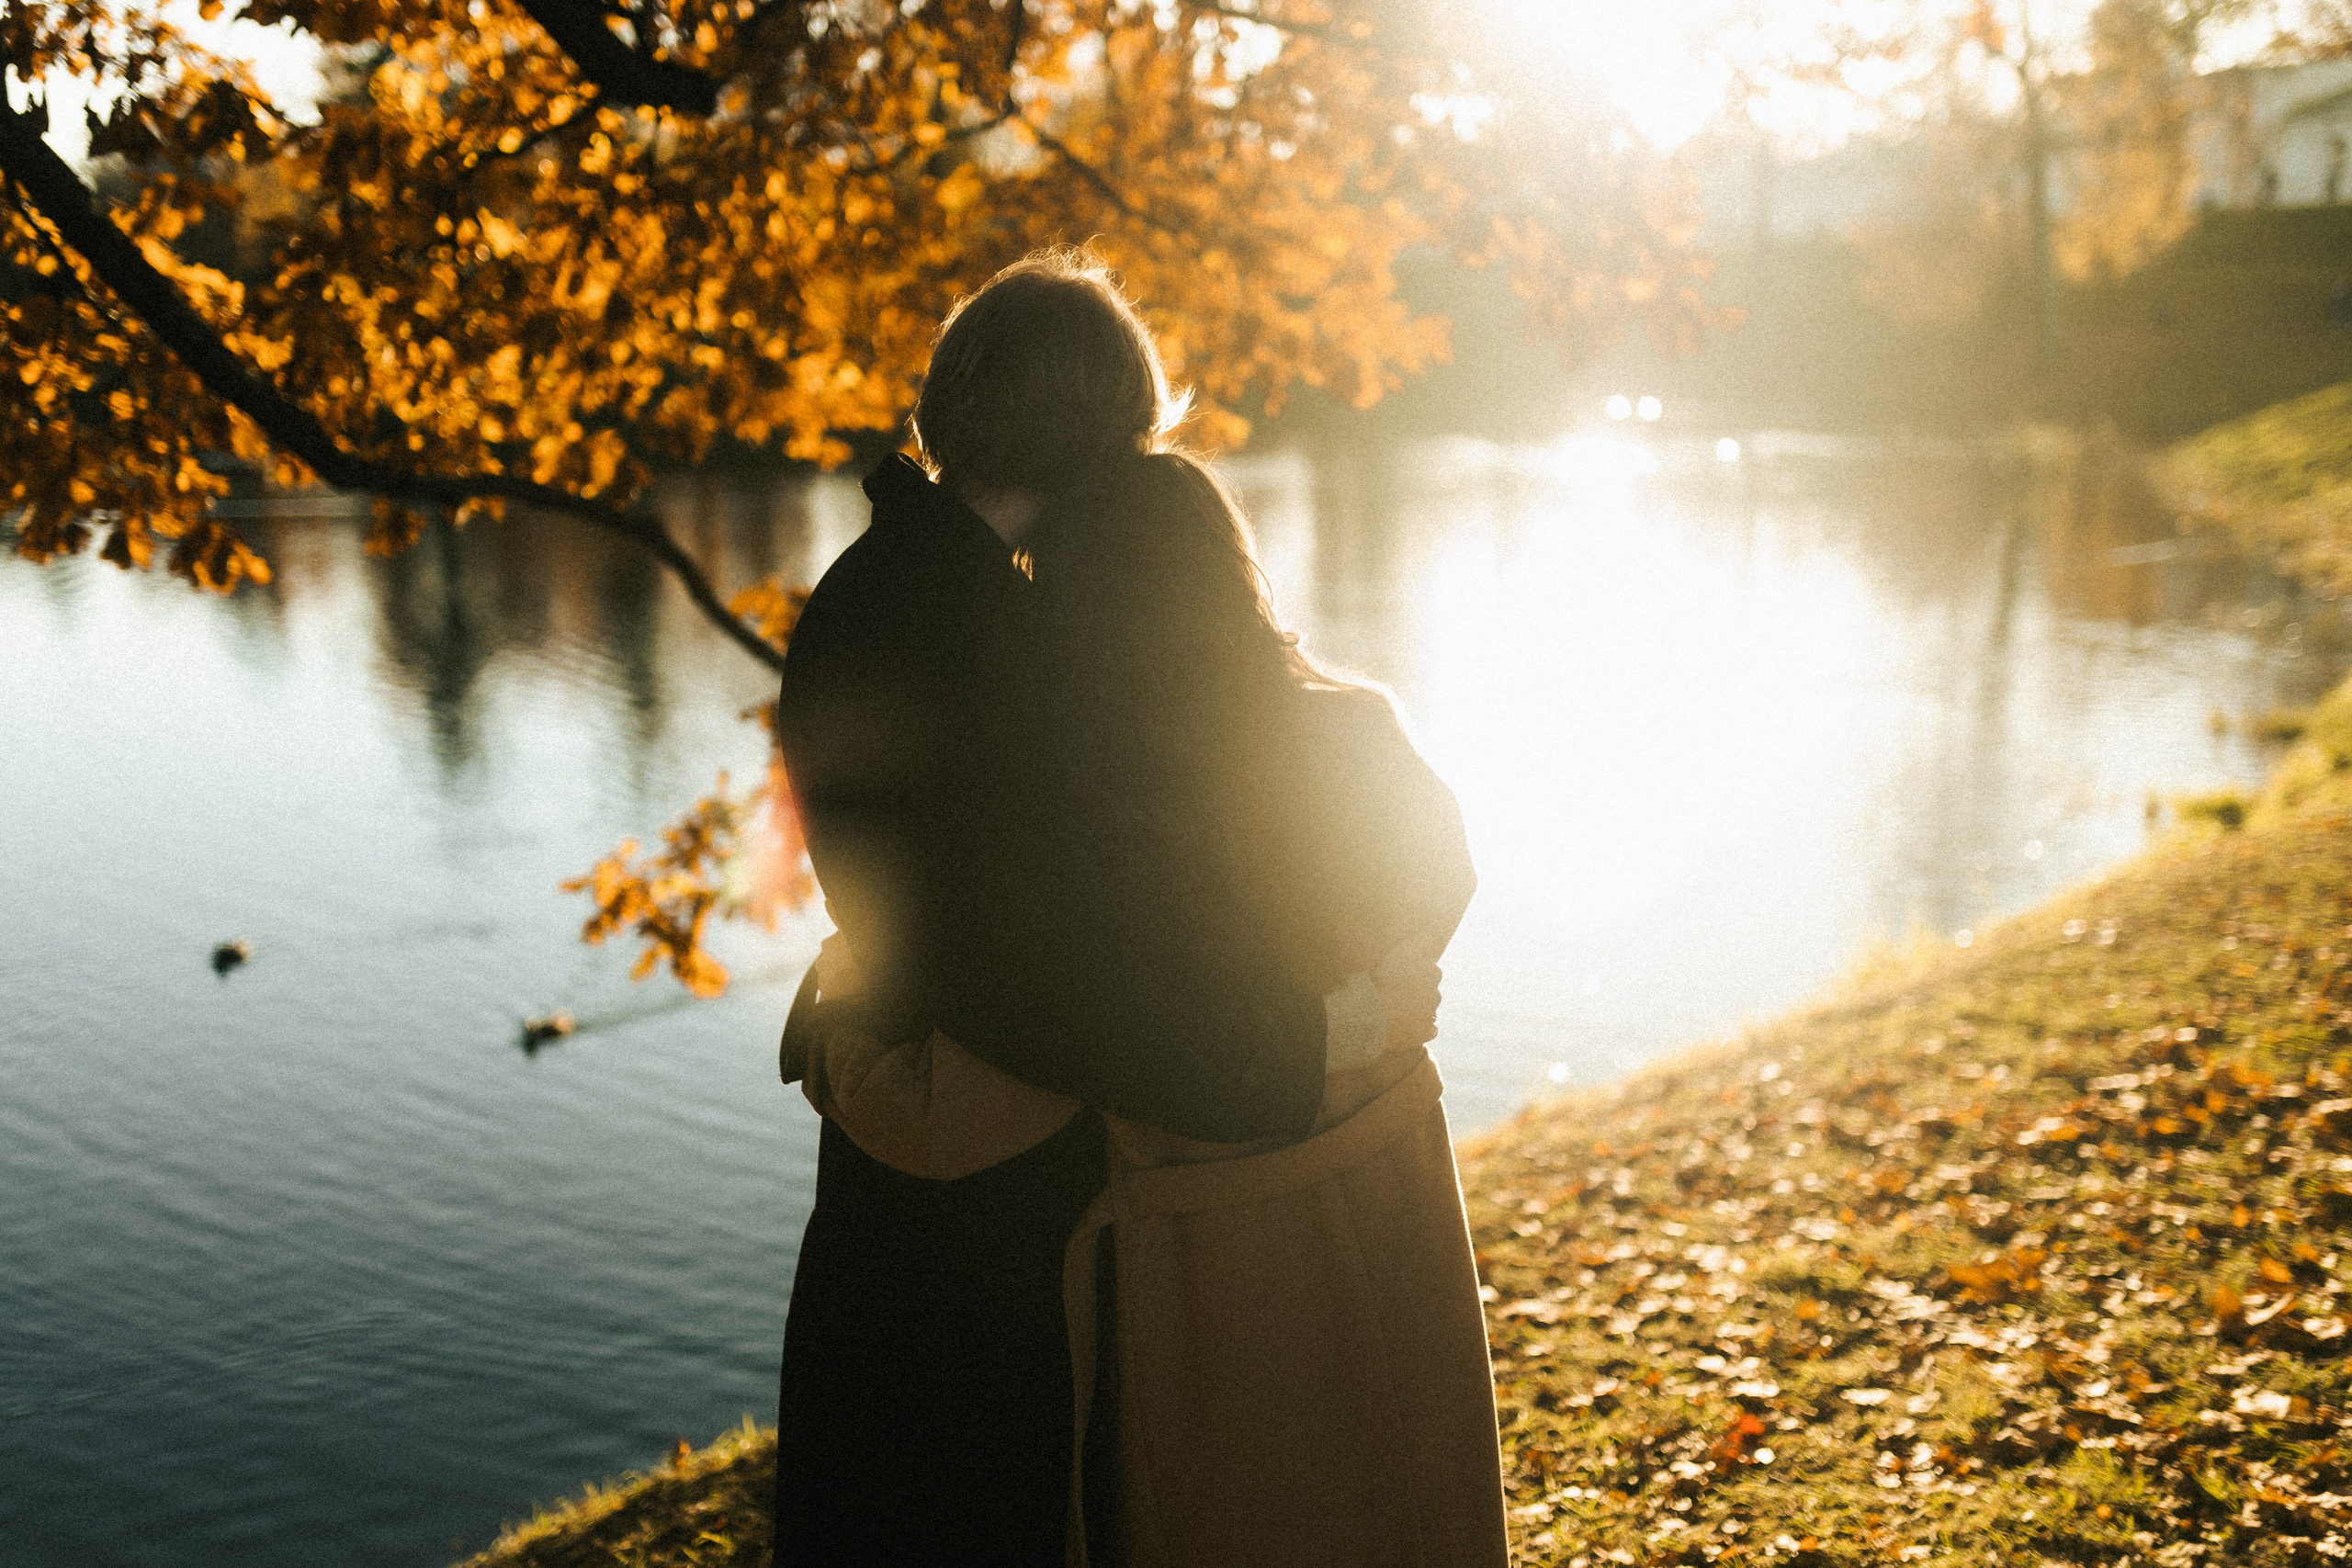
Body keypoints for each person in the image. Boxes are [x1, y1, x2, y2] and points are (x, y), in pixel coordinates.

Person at [772, 251, 1503, 1566]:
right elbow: (1061, 982)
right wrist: (1324, 1038)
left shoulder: (888, 591)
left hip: (913, 1164)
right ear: (1113, 428)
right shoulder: (991, 640)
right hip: (981, 1221)